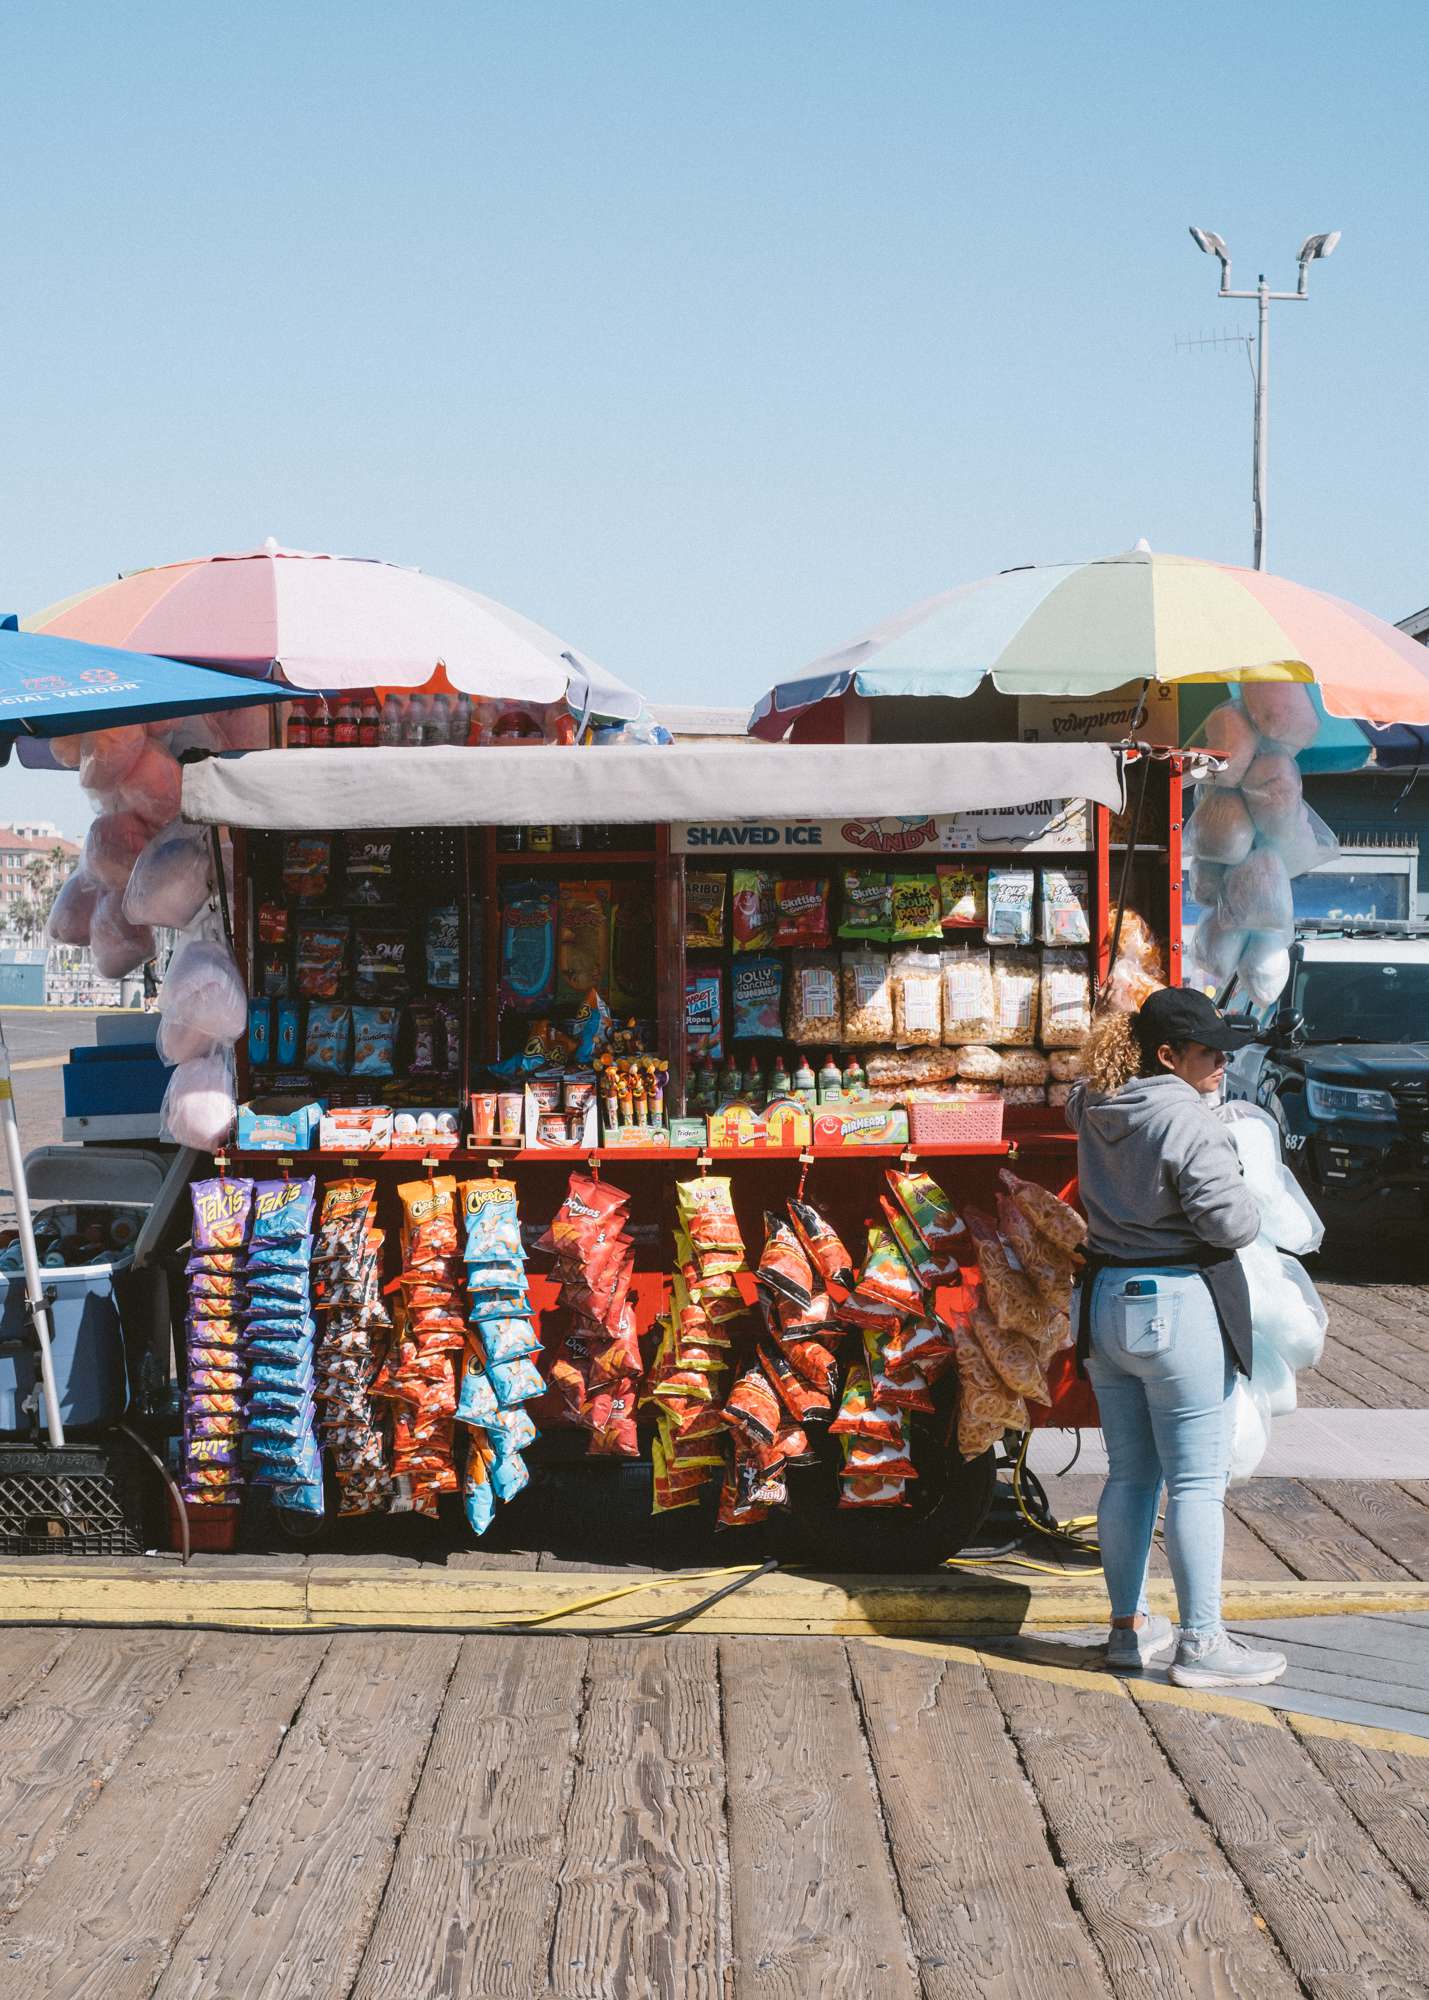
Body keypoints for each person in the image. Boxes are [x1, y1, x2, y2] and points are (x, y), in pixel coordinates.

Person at [1067, 985, 1287, 1690]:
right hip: (1177, 1306)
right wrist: (1250, 1194)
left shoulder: (1094, 1105)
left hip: (1103, 1305)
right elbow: (1230, 1225)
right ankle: (1201, 1644)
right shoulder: (1190, 1121)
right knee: (1197, 1481)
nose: (1222, 1064)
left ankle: (1127, 1632)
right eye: (1209, 1053)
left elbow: (1082, 1082)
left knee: (1130, 1476)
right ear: (1167, 1055)